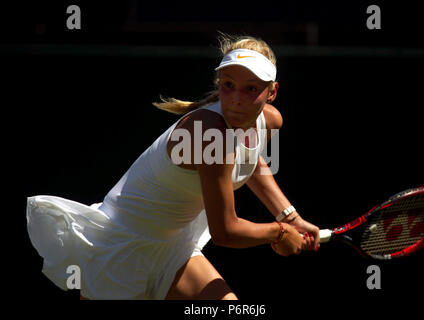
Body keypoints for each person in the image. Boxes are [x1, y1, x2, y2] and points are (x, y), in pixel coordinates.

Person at [26, 34, 320, 300]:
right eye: (228, 85)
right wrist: (279, 233)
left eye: (251, 89)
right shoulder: (208, 132)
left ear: (272, 92)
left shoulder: (270, 121)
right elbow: (226, 232)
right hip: (121, 251)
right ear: (219, 84)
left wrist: (290, 216)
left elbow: (251, 161)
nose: (236, 100)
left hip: (173, 249)